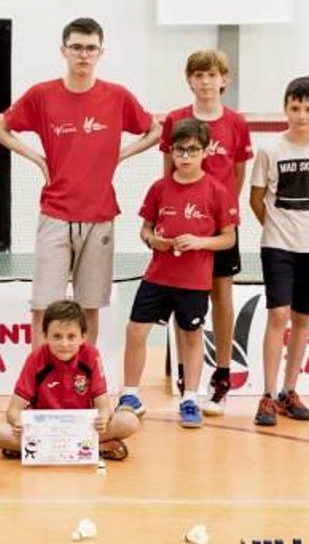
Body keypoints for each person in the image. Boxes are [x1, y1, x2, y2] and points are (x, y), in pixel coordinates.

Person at [0, 17, 160, 349]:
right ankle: (39, 381)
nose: (84, 55)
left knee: (89, 308)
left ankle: (84, 378)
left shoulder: (117, 96)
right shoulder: (42, 95)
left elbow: (154, 130)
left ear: (101, 52)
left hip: (100, 217)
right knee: (44, 307)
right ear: (64, 50)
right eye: (77, 47)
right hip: (55, 215)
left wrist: (123, 154)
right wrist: (38, 158)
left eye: (91, 48)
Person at [126, 49, 253, 417]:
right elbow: (169, 174)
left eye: (212, 75)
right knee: (185, 303)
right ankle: (187, 386)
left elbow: (238, 175)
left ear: (224, 79)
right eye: (198, 75)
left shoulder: (236, 122)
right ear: (189, 79)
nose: (206, 82)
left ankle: (222, 376)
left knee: (221, 299)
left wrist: (218, 215)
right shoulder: (176, 120)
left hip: (216, 226)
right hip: (179, 231)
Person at [121, 119, 238, 428]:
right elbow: (145, 228)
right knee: (135, 331)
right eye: (180, 150)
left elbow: (229, 238)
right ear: (171, 151)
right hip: (158, 275)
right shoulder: (159, 188)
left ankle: (190, 399)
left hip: (194, 280)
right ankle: (130, 394)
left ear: (204, 152)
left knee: (191, 335)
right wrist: (152, 240)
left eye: (193, 150)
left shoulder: (217, 191)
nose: (185, 156)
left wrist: (200, 241)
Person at [248, 76, 309, 426]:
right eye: (295, 107)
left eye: (308, 109)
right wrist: (276, 227)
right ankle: (268, 396)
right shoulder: (270, 150)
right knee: (278, 315)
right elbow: (256, 200)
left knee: (303, 319)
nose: (301, 115)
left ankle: (289, 391)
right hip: (277, 246)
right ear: (285, 108)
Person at [0, 300, 141, 458]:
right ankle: (96, 448)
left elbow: (103, 405)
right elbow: (13, 410)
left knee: (129, 421)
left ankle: (32, 450)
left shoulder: (91, 355)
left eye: (71, 336)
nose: (64, 343)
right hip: (45, 430)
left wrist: (102, 418)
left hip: (82, 427)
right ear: (45, 335)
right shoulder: (36, 358)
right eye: (57, 336)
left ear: (83, 337)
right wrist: (17, 423)